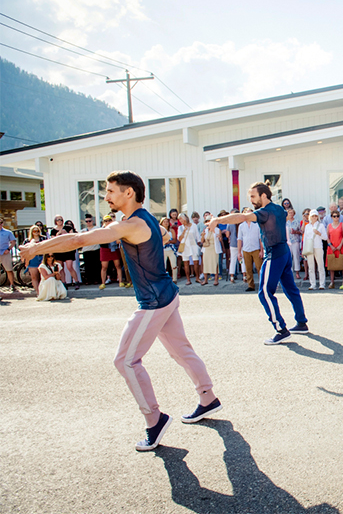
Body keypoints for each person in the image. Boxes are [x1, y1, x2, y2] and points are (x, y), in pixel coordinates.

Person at [22, 170, 221, 451]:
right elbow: (163, 234)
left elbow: (79, 239)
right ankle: (208, 398)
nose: (106, 196)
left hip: (154, 302)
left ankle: (155, 420)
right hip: (167, 295)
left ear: (129, 193)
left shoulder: (131, 224)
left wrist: (37, 247)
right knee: (181, 351)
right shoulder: (146, 218)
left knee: (125, 361)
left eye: (111, 191)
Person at [211, 182, 309, 343]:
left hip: (275, 254)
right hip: (284, 252)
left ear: (264, 195)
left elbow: (242, 217)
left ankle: (281, 329)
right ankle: (301, 322)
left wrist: (217, 219)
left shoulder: (264, 212)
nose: (250, 200)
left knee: (264, 293)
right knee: (291, 289)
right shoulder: (279, 209)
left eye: (253, 196)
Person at [237, 208, 262, 292]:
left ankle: (262, 284)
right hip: (246, 249)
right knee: (248, 268)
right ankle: (251, 285)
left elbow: (260, 238)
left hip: (256, 248)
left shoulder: (257, 225)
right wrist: (239, 252)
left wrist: (262, 250)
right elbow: (239, 239)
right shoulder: (241, 226)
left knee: (259, 267)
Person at [302, 209, 327, 290]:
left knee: (320, 266)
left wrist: (319, 233)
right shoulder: (307, 226)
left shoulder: (321, 225)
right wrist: (304, 249)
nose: (314, 217)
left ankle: (322, 284)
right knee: (311, 266)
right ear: (310, 217)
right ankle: (312, 284)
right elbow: (305, 238)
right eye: (313, 216)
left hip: (318, 246)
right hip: (309, 247)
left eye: (316, 216)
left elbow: (325, 237)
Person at [99, 215, 125, 289]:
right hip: (105, 248)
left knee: (118, 265)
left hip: (114, 248)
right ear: (103, 222)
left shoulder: (115, 229)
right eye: (106, 221)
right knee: (104, 267)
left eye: (109, 220)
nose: (107, 222)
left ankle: (120, 281)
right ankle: (103, 283)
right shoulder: (102, 230)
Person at [177, 213, 202, 285]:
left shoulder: (193, 226)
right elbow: (179, 238)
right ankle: (188, 279)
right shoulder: (180, 228)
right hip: (185, 246)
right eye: (180, 219)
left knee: (196, 262)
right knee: (186, 262)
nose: (181, 220)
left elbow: (197, 235)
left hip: (193, 245)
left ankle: (197, 278)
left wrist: (199, 242)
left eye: (181, 218)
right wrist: (184, 230)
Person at [55, 220, 80, 289]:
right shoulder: (53, 230)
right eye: (57, 220)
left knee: (69, 266)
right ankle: (64, 283)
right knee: (61, 268)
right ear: (55, 221)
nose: (59, 221)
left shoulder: (68, 228)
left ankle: (76, 281)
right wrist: (59, 233)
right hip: (59, 250)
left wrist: (65, 233)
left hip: (68, 249)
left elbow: (72, 236)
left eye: (60, 219)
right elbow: (53, 239)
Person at [23, 225, 45, 295]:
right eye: (34, 231)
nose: (36, 232)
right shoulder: (27, 240)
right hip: (32, 258)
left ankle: (44, 292)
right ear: (31, 232)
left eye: (38, 231)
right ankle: (38, 293)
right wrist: (26, 261)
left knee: (43, 276)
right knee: (34, 277)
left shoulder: (43, 239)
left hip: (42, 257)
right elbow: (25, 251)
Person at [80, 214, 101, 285]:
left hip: (95, 249)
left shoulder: (96, 228)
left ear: (92, 221)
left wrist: (87, 234)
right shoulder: (83, 230)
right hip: (86, 250)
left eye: (89, 221)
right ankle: (89, 280)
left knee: (96, 265)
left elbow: (95, 235)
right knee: (88, 266)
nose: (88, 223)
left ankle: (97, 279)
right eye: (86, 221)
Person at [200, 217, 221, 286]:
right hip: (206, 248)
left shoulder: (217, 230)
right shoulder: (205, 231)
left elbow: (220, 239)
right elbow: (202, 241)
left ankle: (216, 279)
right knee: (205, 263)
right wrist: (202, 235)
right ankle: (205, 280)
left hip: (214, 248)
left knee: (215, 263)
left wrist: (218, 235)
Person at [159, 217, 179, 283]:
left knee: (174, 265)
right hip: (163, 250)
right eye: (164, 222)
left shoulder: (171, 230)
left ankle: (174, 279)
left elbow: (174, 240)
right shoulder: (159, 230)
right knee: (163, 265)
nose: (166, 223)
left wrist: (169, 241)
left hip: (171, 249)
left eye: (167, 221)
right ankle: (163, 279)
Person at [285, 208, 303, 280]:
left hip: (295, 241)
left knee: (296, 257)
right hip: (287, 242)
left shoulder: (297, 222)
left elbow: (301, 232)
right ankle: (289, 273)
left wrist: (295, 232)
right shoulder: (285, 222)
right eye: (289, 213)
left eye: (292, 213)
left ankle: (297, 273)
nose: (290, 214)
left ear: (294, 214)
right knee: (288, 258)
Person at [0, 216, 16, 290]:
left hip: (5, 253)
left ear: (2, 224)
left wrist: (8, 249)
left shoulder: (8, 232)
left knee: (9, 269)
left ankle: (12, 284)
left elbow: (13, 242)